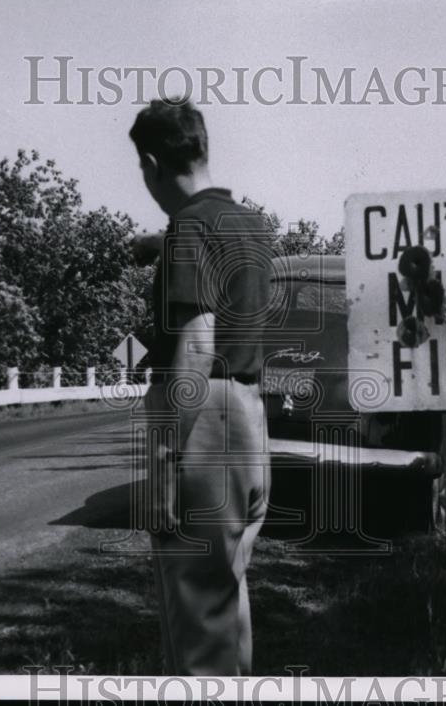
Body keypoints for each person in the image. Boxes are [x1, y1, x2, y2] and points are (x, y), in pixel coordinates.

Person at [128, 98, 272, 676]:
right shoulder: (249, 223)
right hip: (247, 416)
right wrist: (157, 246)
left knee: (194, 614)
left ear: (151, 162)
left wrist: (164, 460)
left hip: (203, 419)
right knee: (223, 598)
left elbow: (195, 346)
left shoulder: (187, 229)